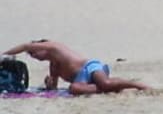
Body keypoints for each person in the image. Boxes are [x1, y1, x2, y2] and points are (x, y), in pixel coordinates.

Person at [2, 40, 148, 95]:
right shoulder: (53, 66)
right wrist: (48, 85)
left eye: (34, 52)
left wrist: (4, 54)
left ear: (42, 46)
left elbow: (26, 45)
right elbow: (53, 90)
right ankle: (116, 88)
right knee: (74, 89)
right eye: (31, 55)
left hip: (90, 67)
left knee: (105, 83)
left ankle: (137, 84)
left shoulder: (54, 47)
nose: (34, 56)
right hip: (82, 80)